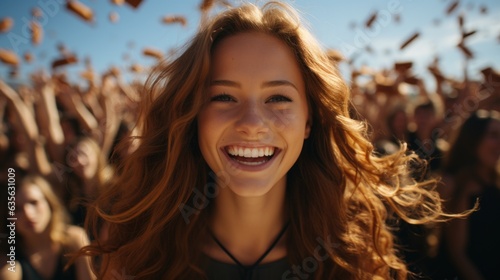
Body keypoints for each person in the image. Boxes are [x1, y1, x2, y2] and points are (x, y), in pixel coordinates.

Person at [79, 2, 450, 279]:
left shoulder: (352, 251)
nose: (252, 124)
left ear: (309, 121)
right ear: (193, 116)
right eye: (223, 97)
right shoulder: (135, 254)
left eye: (278, 98)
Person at [438, 110, 500, 280]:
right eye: (493, 135)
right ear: (474, 139)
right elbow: (457, 253)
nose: (499, 143)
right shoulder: (456, 184)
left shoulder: (495, 180)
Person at [0, 175, 95, 280]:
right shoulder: (9, 260)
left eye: (34, 202)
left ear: (50, 203)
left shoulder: (74, 239)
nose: (28, 214)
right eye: (16, 209)